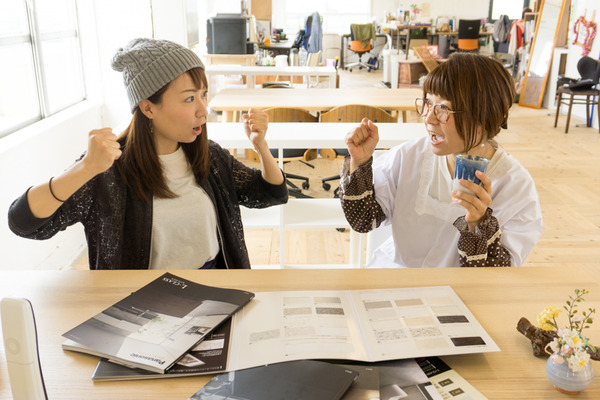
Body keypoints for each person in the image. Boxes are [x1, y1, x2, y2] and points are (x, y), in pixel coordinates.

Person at [8, 38, 287, 270]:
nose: (203, 109)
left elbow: (270, 193)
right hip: (139, 300)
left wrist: (261, 146)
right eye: (189, 98)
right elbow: (25, 223)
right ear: (148, 108)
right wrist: (86, 168)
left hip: (214, 285)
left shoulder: (211, 157)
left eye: (203, 94)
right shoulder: (108, 170)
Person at [339, 53, 542, 268]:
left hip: (459, 288)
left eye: (443, 109)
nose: (428, 118)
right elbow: (363, 220)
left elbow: (498, 277)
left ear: (483, 116)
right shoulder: (409, 156)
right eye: (428, 103)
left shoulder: (515, 185)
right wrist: (359, 163)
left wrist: (478, 224)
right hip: (396, 279)